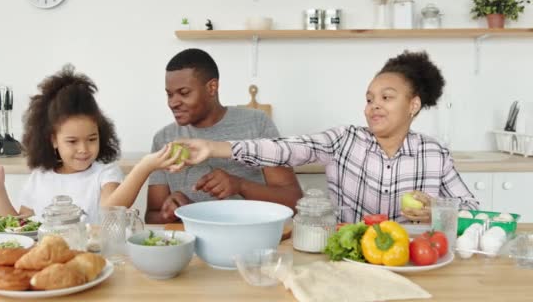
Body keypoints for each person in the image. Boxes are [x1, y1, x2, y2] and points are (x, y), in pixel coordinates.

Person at [176, 51, 479, 223]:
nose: (374, 105)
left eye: (386, 97)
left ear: (413, 105)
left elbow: (473, 210)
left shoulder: (434, 153)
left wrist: (437, 210)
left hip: (415, 259)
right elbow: (285, 149)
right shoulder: (343, 140)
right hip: (350, 259)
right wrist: (214, 147)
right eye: (370, 98)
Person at [0, 65, 182, 223]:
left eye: (92, 139)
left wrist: (145, 166)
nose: (84, 149)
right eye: (72, 141)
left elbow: (110, 211)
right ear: (53, 140)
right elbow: (19, 229)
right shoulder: (39, 178)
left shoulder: (105, 174)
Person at [145, 48, 303, 224]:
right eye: (169, 94)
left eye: (184, 93)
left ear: (212, 87)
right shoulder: (164, 138)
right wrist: (174, 211)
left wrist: (240, 185)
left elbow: (294, 202)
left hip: (250, 242)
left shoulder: (257, 124)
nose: (173, 102)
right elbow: (152, 217)